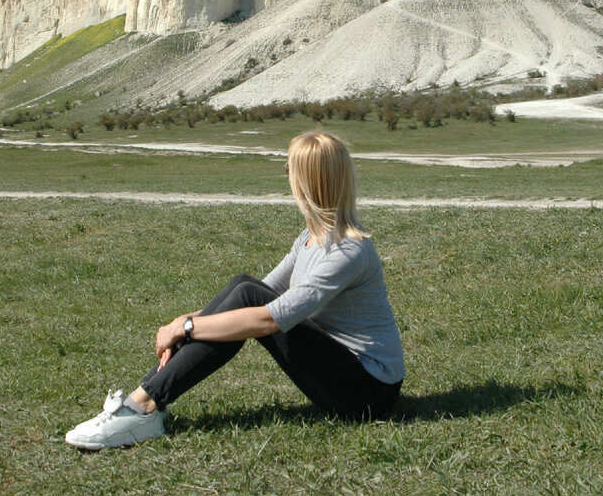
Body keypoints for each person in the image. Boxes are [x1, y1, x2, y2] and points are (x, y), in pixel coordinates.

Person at [65, 130, 405, 449]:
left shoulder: (348, 250)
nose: (285, 171)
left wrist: (185, 327)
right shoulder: (309, 239)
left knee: (248, 297)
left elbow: (268, 319)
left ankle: (144, 405)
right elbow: (261, 290)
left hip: (370, 393)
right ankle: (146, 400)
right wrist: (183, 321)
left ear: (307, 182)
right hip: (346, 373)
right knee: (244, 284)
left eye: (290, 166)